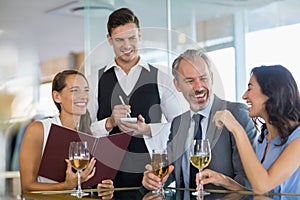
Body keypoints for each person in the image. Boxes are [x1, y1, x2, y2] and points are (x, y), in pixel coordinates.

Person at [87, 8, 182, 187]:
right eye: (119, 40)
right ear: (109, 39)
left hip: (150, 176)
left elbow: (178, 128)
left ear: (140, 35)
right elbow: (85, 132)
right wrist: (109, 122)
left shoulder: (161, 78)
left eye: (131, 38)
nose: (127, 45)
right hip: (106, 179)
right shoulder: (95, 81)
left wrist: (147, 130)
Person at [142, 49, 258, 191]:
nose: (198, 87)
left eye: (203, 78)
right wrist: (153, 180)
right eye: (190, 81)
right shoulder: (179, 122)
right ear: (177, 85)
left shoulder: (236, 114)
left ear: (212, 78)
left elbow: (248, 181)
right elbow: (169, 174)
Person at [198, 65, 300, 194]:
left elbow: (263, 186)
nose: (244, 96)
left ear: (270, 93)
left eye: (250, 88)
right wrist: (225, 181)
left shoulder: (297, 139)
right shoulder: (265, 138)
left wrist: (236, 128)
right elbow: (259, 193)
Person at [19, 70, 114, 196]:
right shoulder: (38, 130)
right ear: (57, 96)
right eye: (75, 90)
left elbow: (88, 186)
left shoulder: (90, 134)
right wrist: (65, 186)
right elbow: (27, 186)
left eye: (86, 90)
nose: (83, 96)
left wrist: (103, 189)